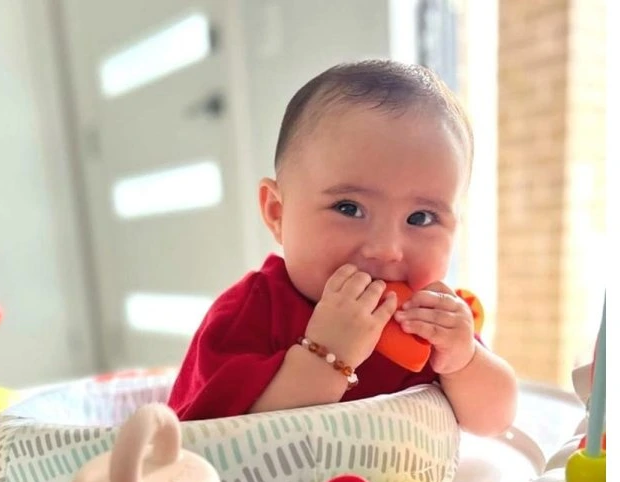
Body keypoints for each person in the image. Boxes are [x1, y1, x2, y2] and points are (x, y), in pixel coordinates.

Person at [167, 59, 517, 436]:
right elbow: (213, 439)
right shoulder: (251, 312)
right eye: (349, 208)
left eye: (420, 218)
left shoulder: (430, 320)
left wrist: (463, 361)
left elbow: (495, 422)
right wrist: (326, 356)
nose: (386, 249)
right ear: (277, 213)